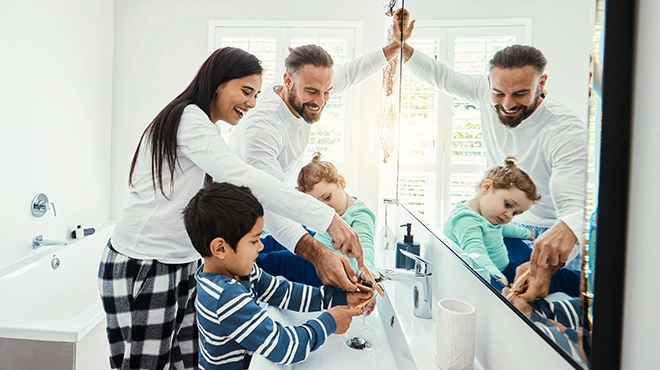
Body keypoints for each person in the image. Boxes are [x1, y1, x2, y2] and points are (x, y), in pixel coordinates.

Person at [97, 47, 364, 370]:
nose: (252, 103)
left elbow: (278, 287)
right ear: (219, 83)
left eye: (256, 94)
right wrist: (329, 219)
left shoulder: (206, 129)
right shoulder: (189, 120)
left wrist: (335, 297)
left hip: (180, 262)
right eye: (246, 91)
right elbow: (246, 177)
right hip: (145, 263)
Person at [395, 8, 588, 301]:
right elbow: (440, 76)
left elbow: (575, 208)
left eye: (521, 94)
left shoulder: (564, 131)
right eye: (499, 93)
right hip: (509, 225)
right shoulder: (485, 95)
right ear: (488, 84)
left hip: (551, 233)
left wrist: (550, 254)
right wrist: (400, 46)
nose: (508, 104)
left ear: (542, 83)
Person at [228, 18, 414, 285]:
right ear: (287, 81)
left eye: (327, 91)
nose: (321, 101)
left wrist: (393, 47)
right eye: (313, 92)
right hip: (239, 227)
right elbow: (270, 201)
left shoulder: (311, 89)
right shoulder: (263, 127)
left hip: (267, 219)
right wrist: (319, 253)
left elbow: (350, 73)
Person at [182, 182, 370, 370]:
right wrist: (329, 322)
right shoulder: (226, 297)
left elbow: (284, 292)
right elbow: (284, 347)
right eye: (254, 240)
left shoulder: (241, 273)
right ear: (220, 248)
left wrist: (341, 298)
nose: (261, 246)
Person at [255, 152, 377, 286]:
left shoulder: (361, 215)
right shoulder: (343, 206)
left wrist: (367, 271)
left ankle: (245, 261)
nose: (324, 209)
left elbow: (365, 245)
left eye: (327, 198)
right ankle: (250, 244)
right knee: (283, 240)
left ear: (341, 182)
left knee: (281, 260)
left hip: (327, 267)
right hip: (322, 244)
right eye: (317, 205)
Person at [443, 156, 539, 285]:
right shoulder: (466, 220)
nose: (508, 215)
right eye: (508, 205)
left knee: (545, 270)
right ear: (487, 187)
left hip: (504, 264)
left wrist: (526, 233)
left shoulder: (488, 214)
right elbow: (476, 253)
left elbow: (503, 229)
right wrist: (496, 276)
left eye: (515, 213)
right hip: (490, 272)